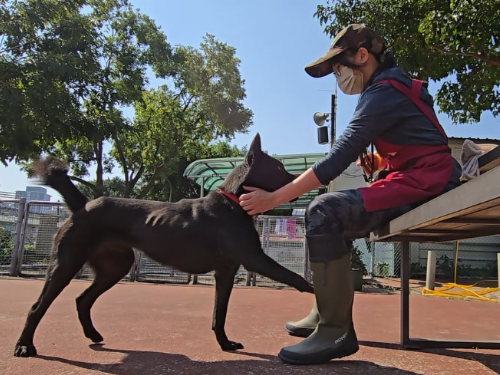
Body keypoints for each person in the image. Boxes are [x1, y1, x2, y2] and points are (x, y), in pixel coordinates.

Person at [239, 24, 462, 365]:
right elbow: (416, 139)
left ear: (363, 55)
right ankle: (325, 310)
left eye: (339, 66)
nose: (338, 75)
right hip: (418, 174)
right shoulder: (387, 87)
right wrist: (380, 160)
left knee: (324, 211)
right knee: (334, 213)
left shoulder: (383, 92)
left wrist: (274, 199)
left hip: (428, 180)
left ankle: (335, 330)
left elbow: (336, 159)